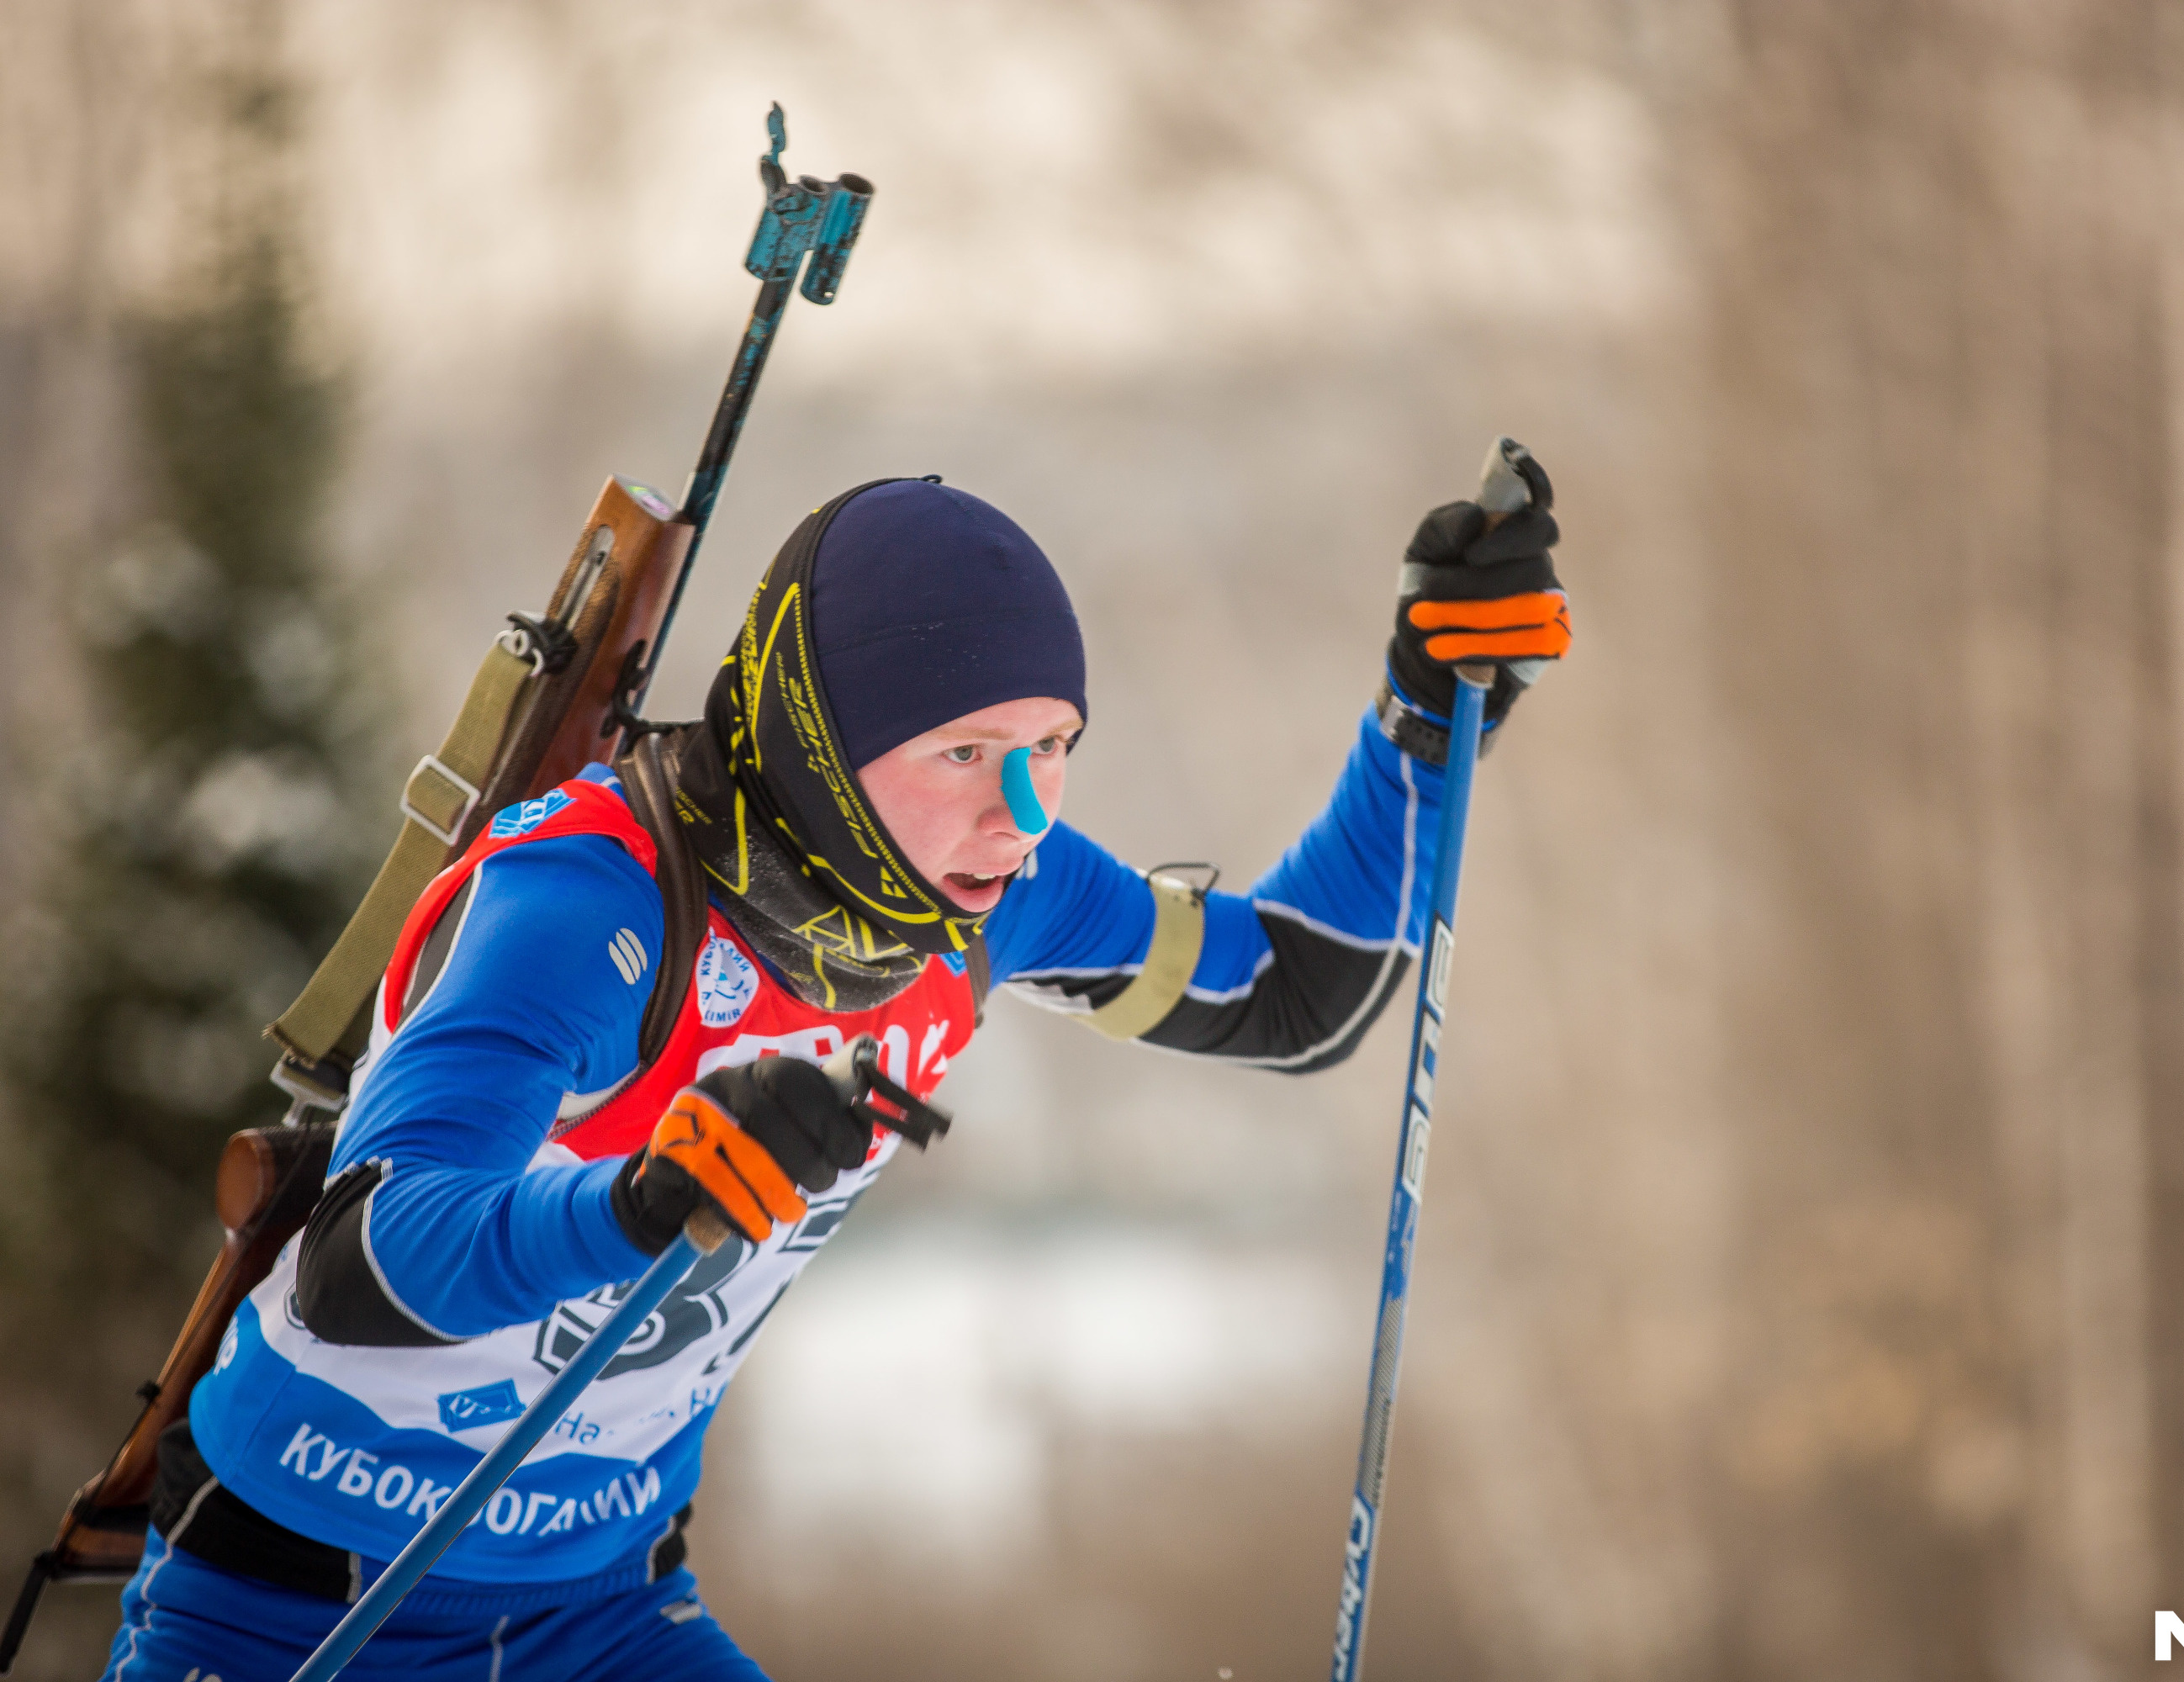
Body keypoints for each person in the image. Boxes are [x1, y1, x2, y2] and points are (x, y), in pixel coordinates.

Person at [100, 463, 1571, 1681]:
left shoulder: (983, 899)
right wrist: (643, 1194)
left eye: (1055, 747)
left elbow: (1294, 992)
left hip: (600, 1612)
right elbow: (367, 1257)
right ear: (822, 732)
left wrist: (1423, 723)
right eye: (964, 751)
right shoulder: (596, 902)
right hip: (303, 1604)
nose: (1020, 812)